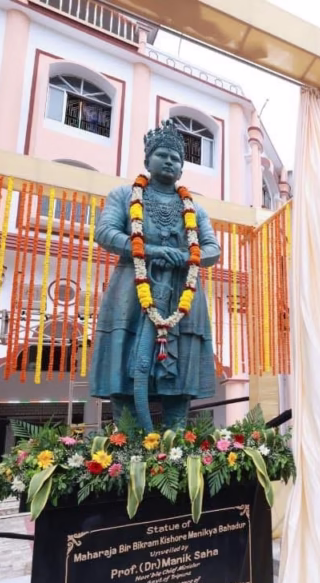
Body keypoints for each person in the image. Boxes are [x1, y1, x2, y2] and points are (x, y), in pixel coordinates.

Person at [90, 119, 221, 431]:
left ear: (182, 169)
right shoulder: (124, 195)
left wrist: (186, 257)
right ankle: (127, 444)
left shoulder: (195, 209)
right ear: (148, 160)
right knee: (125, 368)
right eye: (162, 155)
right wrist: (149, 250)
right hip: (132, 290)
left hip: (183, 293)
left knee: (181, 376)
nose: (169, 161)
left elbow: (213, 249)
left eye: (176, 158)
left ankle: (176, 443)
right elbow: (104, 232)